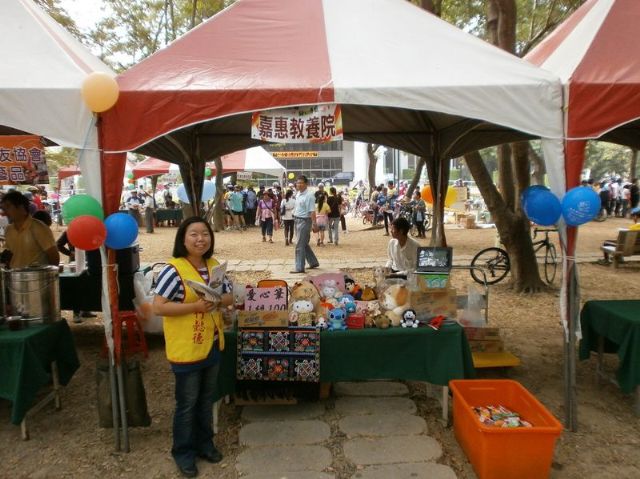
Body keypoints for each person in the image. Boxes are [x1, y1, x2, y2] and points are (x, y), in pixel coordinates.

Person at [152, 217, 231, 478]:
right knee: (187, 403)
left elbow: (230, 296)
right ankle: (183, 452)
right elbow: (159, 306)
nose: (201, 239)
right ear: (182, 239)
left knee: (206, 399)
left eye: (205, 234)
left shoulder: (215, 266)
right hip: (186, 348)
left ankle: (205, 444)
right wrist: (195, 307)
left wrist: (219, 300)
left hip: (212, 343)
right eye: (194, 234)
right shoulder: (172, 270)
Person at [1, 191, 59, 268]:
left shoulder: (39, 227)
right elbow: (9, 255)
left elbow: (54, 257)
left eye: (8, 207)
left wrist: (46, 276)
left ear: (21, 207)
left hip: (37, 278)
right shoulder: (8, 230)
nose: (4, 212)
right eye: (3, 209)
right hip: (15, 277)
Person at [291, 175, 320, 274]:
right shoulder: (298, 193)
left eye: (301, 183)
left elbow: (312, 211)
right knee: (303, 244)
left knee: (299, 245)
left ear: (306, 184)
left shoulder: (309, 195)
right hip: (297, 220)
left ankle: (299, 267)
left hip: (304, 221)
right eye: (297, 182)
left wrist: (314, 224)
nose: (298, 184)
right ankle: (313, 262)